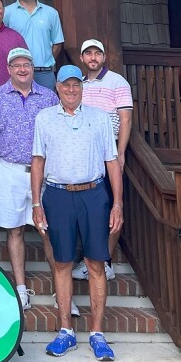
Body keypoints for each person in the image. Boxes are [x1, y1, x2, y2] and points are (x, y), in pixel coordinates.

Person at [31, 65, 123, 362]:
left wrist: (117, 203)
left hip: (94, 194)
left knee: (96, 263)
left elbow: (112, 162)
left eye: (76, 85)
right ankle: (66, 332)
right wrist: (36, 203)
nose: (71, 90)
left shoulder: (98, 119)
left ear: (82, 87)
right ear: (57, 87)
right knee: (62, 263)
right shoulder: (44, 118)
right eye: (65, 85)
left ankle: (97, 333)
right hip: (57, 195)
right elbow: (37, 162)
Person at [0, 47, 60, 312]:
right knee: (14, 230)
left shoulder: (48, 97)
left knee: (48, 231)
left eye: (27, 64)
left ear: (33, 68)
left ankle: (61, 291)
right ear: (8, 69)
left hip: (43, 173)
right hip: (9, 170)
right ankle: (21, 289)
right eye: (17, 65)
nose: (22, 69)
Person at [74, 39, 133, 281]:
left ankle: (105, 261)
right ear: (82, 58)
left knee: (110, 208)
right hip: (83, 156)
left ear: (104, 56)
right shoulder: (78, 85)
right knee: (89, 210)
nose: (93, 57)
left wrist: (120, 154)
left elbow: (126, 119)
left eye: (97, 53)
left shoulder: (117, 81)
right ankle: (90, 261)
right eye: (88, 53)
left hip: (108, 155)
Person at [3, 0, 64, 91]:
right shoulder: (6, 12)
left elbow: (57, 43)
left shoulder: (51, 13)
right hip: (17, 72)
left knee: (47, 108)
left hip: (44, 73)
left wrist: (45, 60)